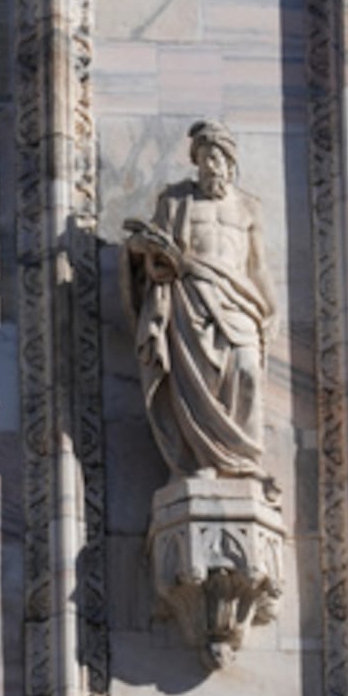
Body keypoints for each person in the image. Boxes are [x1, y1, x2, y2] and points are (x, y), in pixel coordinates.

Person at [122, 120, 278, 485]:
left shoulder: (249, 207)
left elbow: (258, 265)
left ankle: (242, 458)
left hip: (239, 301)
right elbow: (146, 250)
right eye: (203, 159)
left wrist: (271, 309)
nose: (210, 166)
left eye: (216, 159)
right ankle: (202, 459)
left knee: (247, 372)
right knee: (199, 382)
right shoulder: (175, 201)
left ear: (229, 162)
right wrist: (145, 250)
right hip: (189, 301)